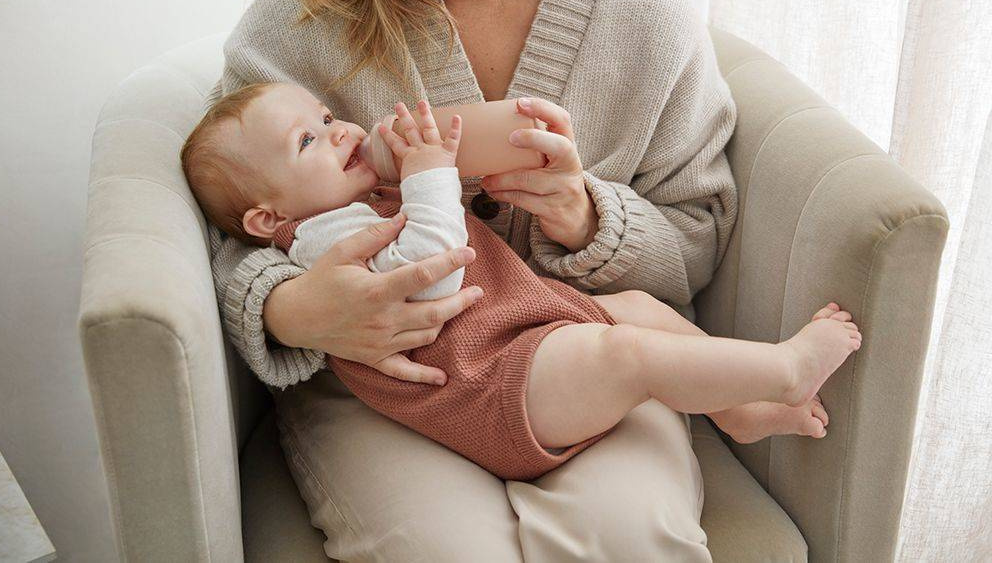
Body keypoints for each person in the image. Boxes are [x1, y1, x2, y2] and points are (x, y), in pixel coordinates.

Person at [204, 0, 836, 558]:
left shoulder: (643, 11)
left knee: (633, 539)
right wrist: (292, 308)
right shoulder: (300, 16)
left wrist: (583, 218)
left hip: (569, 337)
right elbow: (225, 221)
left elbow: (695, 235)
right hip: (393, 380)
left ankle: (753, 395)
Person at [185, 80, 861, 482]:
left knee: (635, 305)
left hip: (523, 339)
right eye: (308, 142)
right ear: (268, 218)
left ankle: (736, 411)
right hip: (492, 391)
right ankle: (784, 370)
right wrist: (428, 173)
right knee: (626, 353)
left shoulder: (360, 200)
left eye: (328, 119)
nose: (338, 134)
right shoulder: (322, 241)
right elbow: (432, 271)